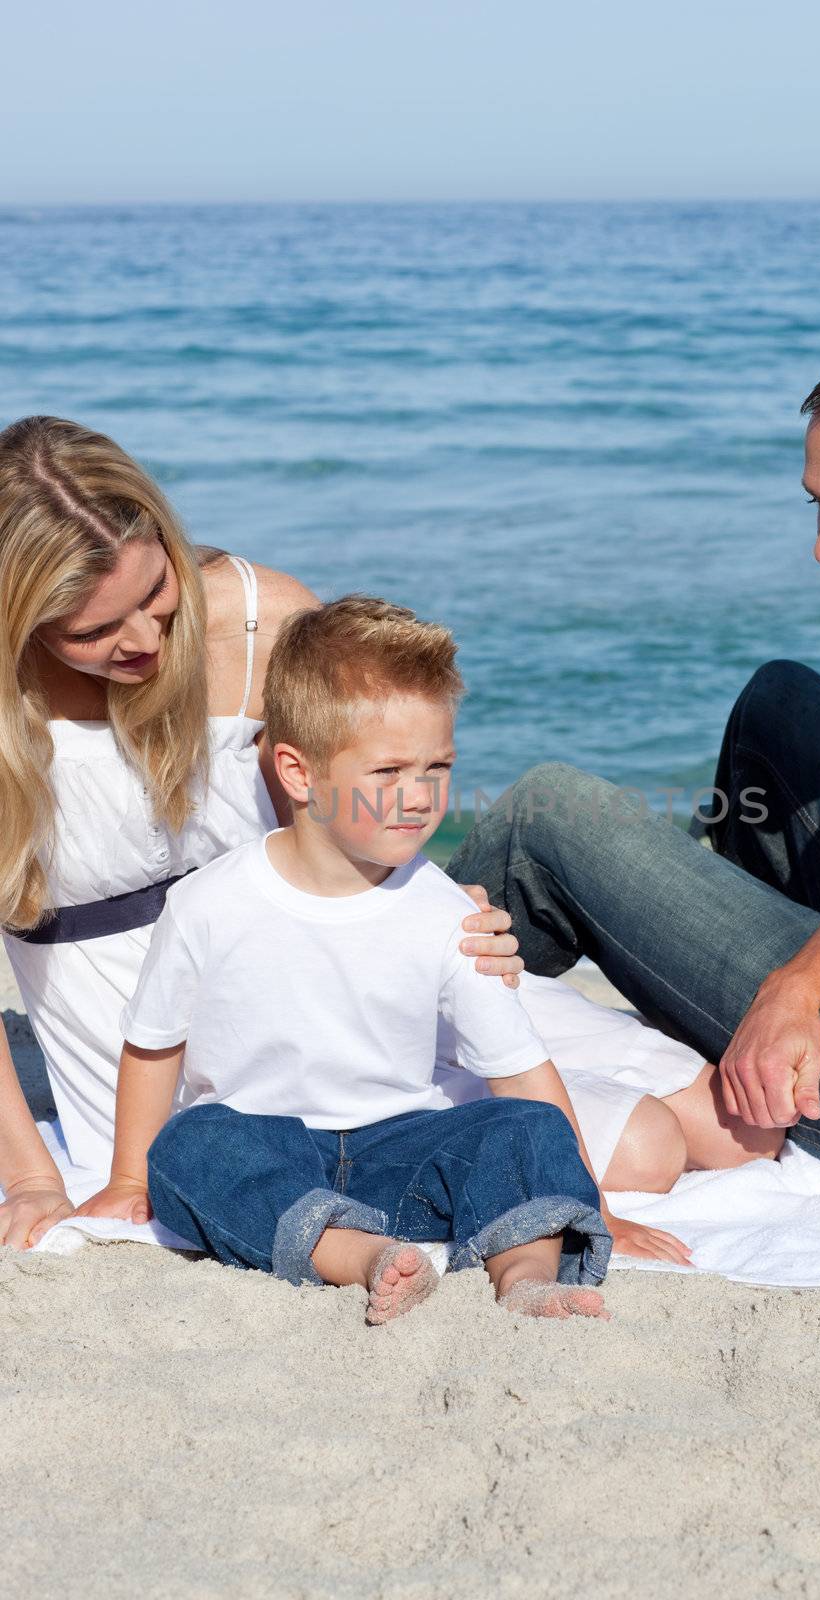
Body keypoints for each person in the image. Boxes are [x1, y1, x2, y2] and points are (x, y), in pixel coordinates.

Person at [448, 329, 820, 1192]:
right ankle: (734, 1036)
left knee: (543, 818)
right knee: (778, 706)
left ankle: (366, 1046)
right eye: (818, 504)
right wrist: (792, 988)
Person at [0, 417, 523, 1250]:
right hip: (133, 1060)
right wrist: (31, 1179)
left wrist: (425, 899)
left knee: (658, 1137)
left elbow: (349, 818)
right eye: (92, 632)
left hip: (335, 995)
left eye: (152, 595)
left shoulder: (259, 618)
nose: (141, 641)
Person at [75, 599, 620, 1322]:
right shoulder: (210, 902)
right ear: (299, 775)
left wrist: (589, 1199)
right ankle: (359, 1257)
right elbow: (153, 1044)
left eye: (437, 767)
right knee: (188, 1148)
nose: (419, 796)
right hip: (264, 1142)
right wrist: (123, 1176)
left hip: (406, 1147)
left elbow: (520, 1072)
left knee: (525, 1128)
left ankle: (523, 1276)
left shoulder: (446, 912)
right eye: (388, 770)